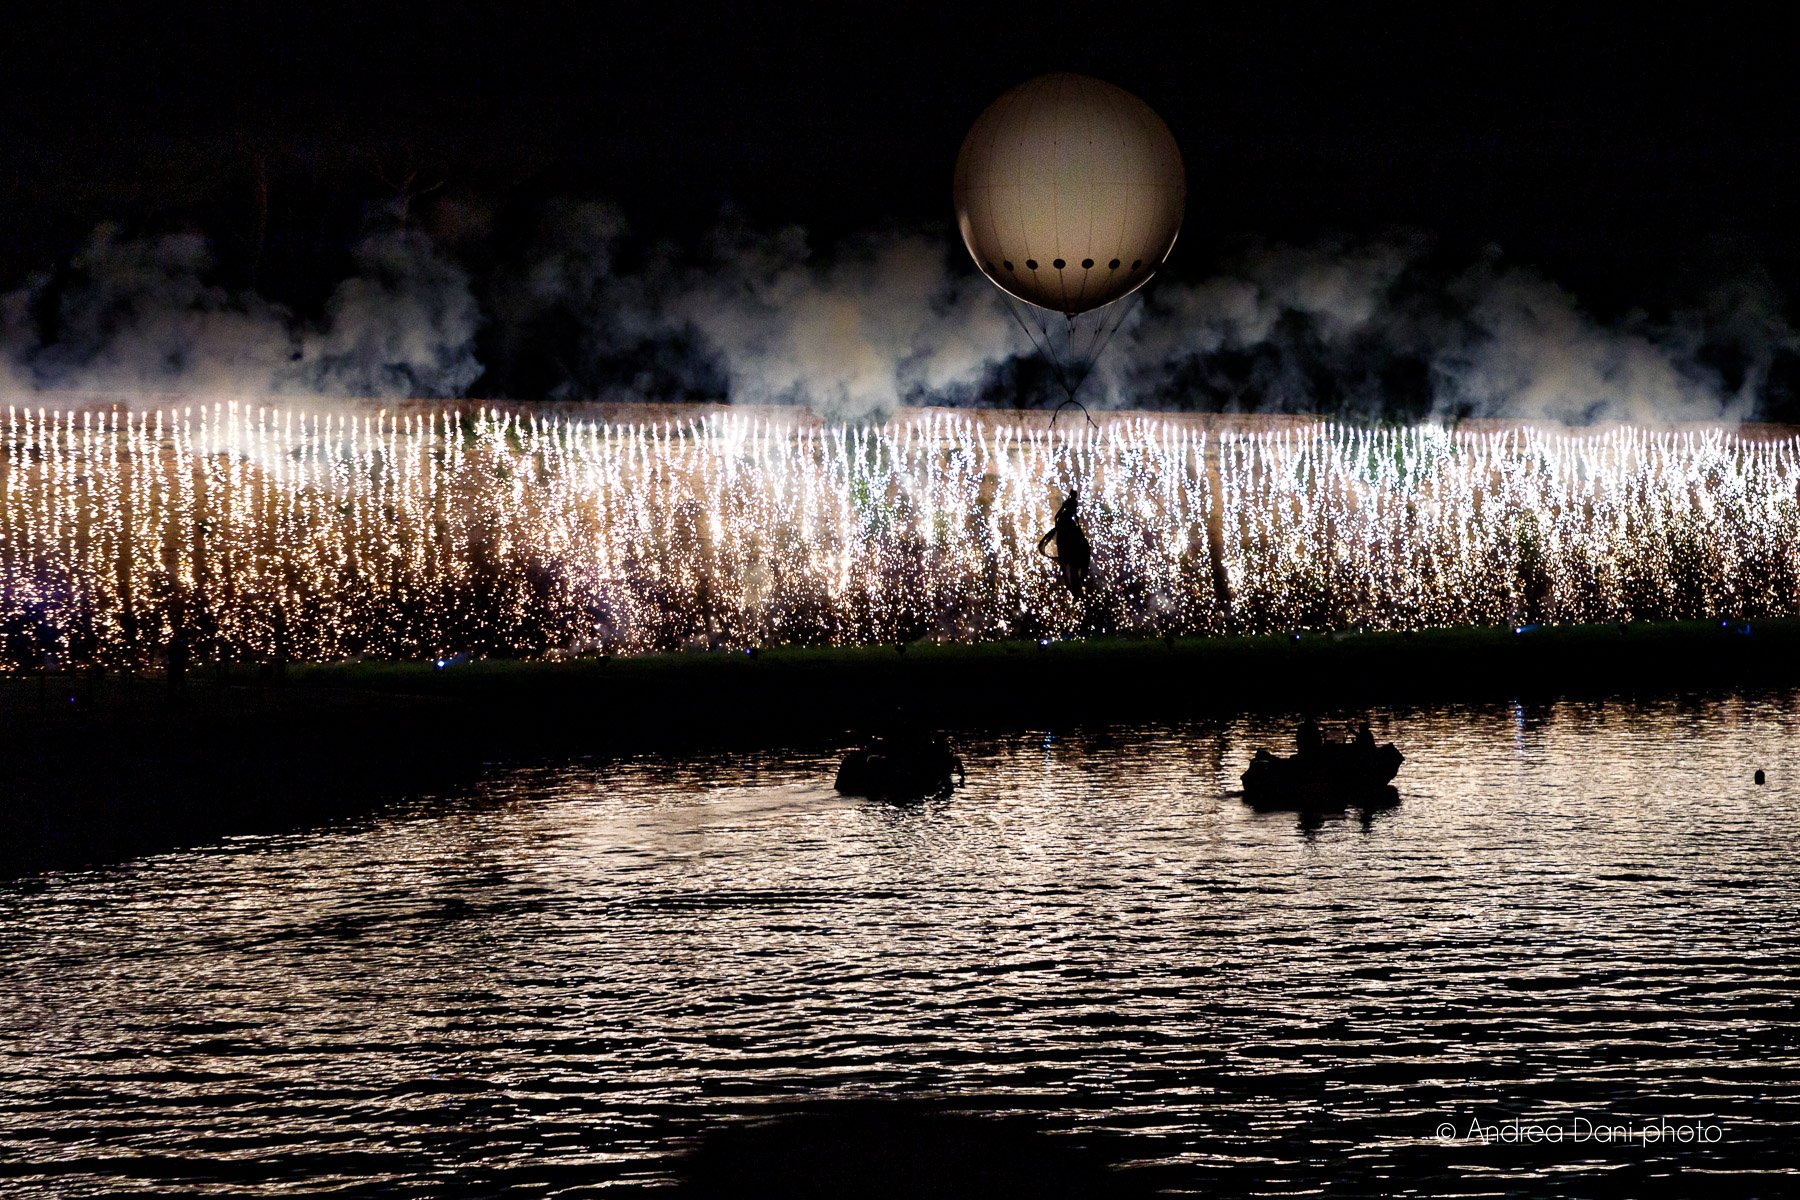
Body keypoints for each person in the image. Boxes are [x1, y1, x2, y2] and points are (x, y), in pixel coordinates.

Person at [1036, 490, 1092, 597]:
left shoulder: (1069, 503)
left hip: (1064, 522)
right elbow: (1070, 514)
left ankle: (1068, 550)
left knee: (1070, 538)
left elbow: (1061, 514)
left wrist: (1059, 521)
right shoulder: (1072, 503)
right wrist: (1076, 523)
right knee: (1077, 538)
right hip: (1066, 522)